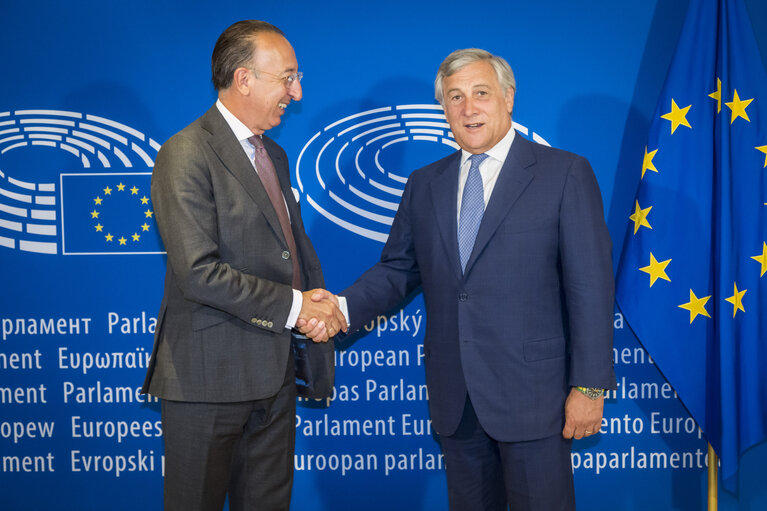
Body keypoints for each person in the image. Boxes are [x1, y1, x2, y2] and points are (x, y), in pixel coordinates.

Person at [309, 48, 616, 510]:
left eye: (480, 93)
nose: (468, 108)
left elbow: (591, 288)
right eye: (454, 97)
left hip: (537, 400)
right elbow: (398, 270)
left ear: (508, 98)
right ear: (444, 110)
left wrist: (590, 387)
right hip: (457, 401)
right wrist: (340, 309)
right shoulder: (423, 183)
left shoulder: (564, 174)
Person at [141, 20, 345, 511]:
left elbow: (289, 253)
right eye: (287, 78)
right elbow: (198, 272)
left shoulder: (273, 152)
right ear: (244, 78)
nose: (296, 92)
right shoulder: (185, 152)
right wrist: (298, 308)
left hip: (274, 379)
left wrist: (320, 304)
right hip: (206, 382)